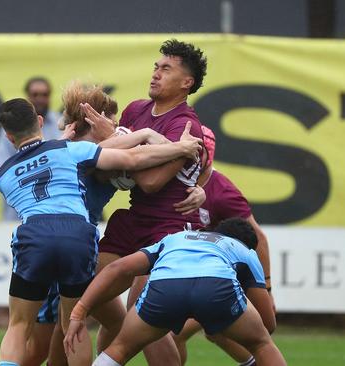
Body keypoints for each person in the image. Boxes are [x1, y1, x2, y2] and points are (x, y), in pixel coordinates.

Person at [0, 97, 201, 366]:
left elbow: (40, 157)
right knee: (72, 324)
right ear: (41, 122)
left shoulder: (4, 175)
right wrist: (178, 147)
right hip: (76, 234)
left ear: (9, 137)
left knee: (20, 326)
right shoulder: (72, 150)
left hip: (35, 234)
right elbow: (131, 158)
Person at [97, 38, 208, 365]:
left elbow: (150, 182)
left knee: (143, 316)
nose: (156, 74)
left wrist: (121, 149)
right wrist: (122, 148)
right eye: (156, 67)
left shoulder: (186, 126)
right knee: (80, 290)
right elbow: (103, 162)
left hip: (170, 227)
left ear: (186, 83)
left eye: (166, 69)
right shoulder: (135, 110)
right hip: (133, 219)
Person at [64, 218, 287, 366]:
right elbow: (268, 324)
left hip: (164, 287)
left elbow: (116, 268)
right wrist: (228, 321)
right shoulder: (245, 251)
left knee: (120, 348)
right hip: (216, 287)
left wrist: (79, 312)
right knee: (262, 344)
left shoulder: (174, 238)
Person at [172, 126, 276, 366]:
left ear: (207, 155)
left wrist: (267, 288)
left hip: (219, 275)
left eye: (195, 155)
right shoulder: (175, 182)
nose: (188, 160)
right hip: (194, 271)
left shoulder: (222, 193)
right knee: (214, 332)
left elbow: (257, 237)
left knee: (173, 334)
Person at [0, 76, 62, 221]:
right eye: (35, 94)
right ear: (27, 96)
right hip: (19, 218)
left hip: (55, 214)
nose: (40, 99)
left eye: (44, 94)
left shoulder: (60, 124)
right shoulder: (11, 127)